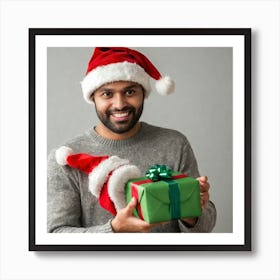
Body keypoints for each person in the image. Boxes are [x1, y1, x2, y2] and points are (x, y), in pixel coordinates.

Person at [47, 47, 217, 233]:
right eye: (107, 94)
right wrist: (114, 230)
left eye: (129, 92)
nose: (119, 104)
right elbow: (56, 234)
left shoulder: (174, 143)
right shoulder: (66, 157)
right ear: (93, 97)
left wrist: (191, 211)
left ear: (143, 93)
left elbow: (203, 229)